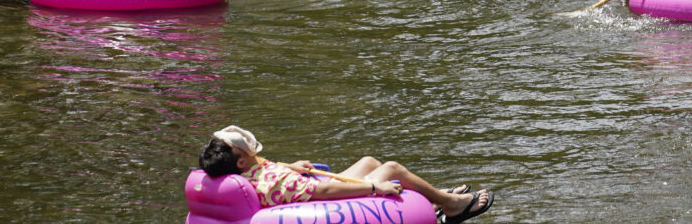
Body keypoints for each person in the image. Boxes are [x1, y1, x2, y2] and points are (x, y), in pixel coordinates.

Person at [198, 125, 494, 224]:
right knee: (389, 169)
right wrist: (375, 189)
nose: (247, 149)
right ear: (239, 163)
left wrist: (290, 166)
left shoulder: (244, 169)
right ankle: (449, 205)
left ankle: (433, 202)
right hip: (313, 201)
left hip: (298, 186)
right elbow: (323, 193)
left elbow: (262, 165)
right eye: (239, 149)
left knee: (367, 161)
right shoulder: (273, 182)